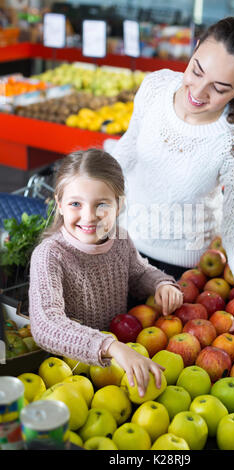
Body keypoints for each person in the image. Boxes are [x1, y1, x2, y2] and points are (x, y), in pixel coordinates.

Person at [105, 15, 234, 343]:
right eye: (196, 70)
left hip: (182, 273)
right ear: (194, 50)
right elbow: (128, 151)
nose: (198, 92)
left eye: (220, 88)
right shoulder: (157, 86)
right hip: (123, 247)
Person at [28, 148, 183, 397]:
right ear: (59, 205)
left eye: (101, 204)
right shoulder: (50, 255)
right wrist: (110, 346)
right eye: (75, 203)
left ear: (119, 205)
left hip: (122, 364)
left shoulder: (120, 239)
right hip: (70, 375)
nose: (89, 216)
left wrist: (161, 284)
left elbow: (138, 272)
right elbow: (46, 324)